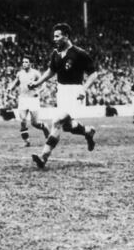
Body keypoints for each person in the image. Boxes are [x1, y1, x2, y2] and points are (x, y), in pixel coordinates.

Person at [29, 23, 98, 169]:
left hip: (75, 93)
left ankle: (43, 157)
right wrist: (37, 83)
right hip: (62, 93)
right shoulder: (56, 54)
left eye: (57, 36)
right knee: (68, 126)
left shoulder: (79, 53)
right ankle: (88, 131)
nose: (54, 39)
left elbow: (93, 74)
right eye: (54, 36)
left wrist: (84, 89)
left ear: (66, 36)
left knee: (57, 122)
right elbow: (51, 72)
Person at [6, 57, 49, 146]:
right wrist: (10, 87)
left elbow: (44, 84)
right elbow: (15, 82)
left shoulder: (35, 73)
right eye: (23, 62)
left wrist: (38, 91)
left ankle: (45, 127)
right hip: (23, 99)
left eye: (26, 62)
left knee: (35, 123)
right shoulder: (20, 73)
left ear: (30, 64)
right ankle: (27, 142)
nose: (24, 64)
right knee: (23, 120)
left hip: (33, 99)